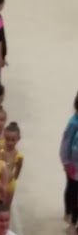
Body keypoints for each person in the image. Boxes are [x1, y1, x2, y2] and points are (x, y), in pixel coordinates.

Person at [60, 90, 78, 235]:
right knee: (72, 190)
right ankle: (70, 214)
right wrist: (66, 162)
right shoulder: (73, 123)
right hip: (73, 165)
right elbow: (66, 143)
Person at [0, 122, 23, 205]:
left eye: (13, 140)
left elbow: (18, 169)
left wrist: (13, 178)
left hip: (10, 183)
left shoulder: (18, 156)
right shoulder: (0, 149)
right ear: (4, 137)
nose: (10, 142)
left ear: (18, 139)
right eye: (7, 139)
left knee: (6, 205)